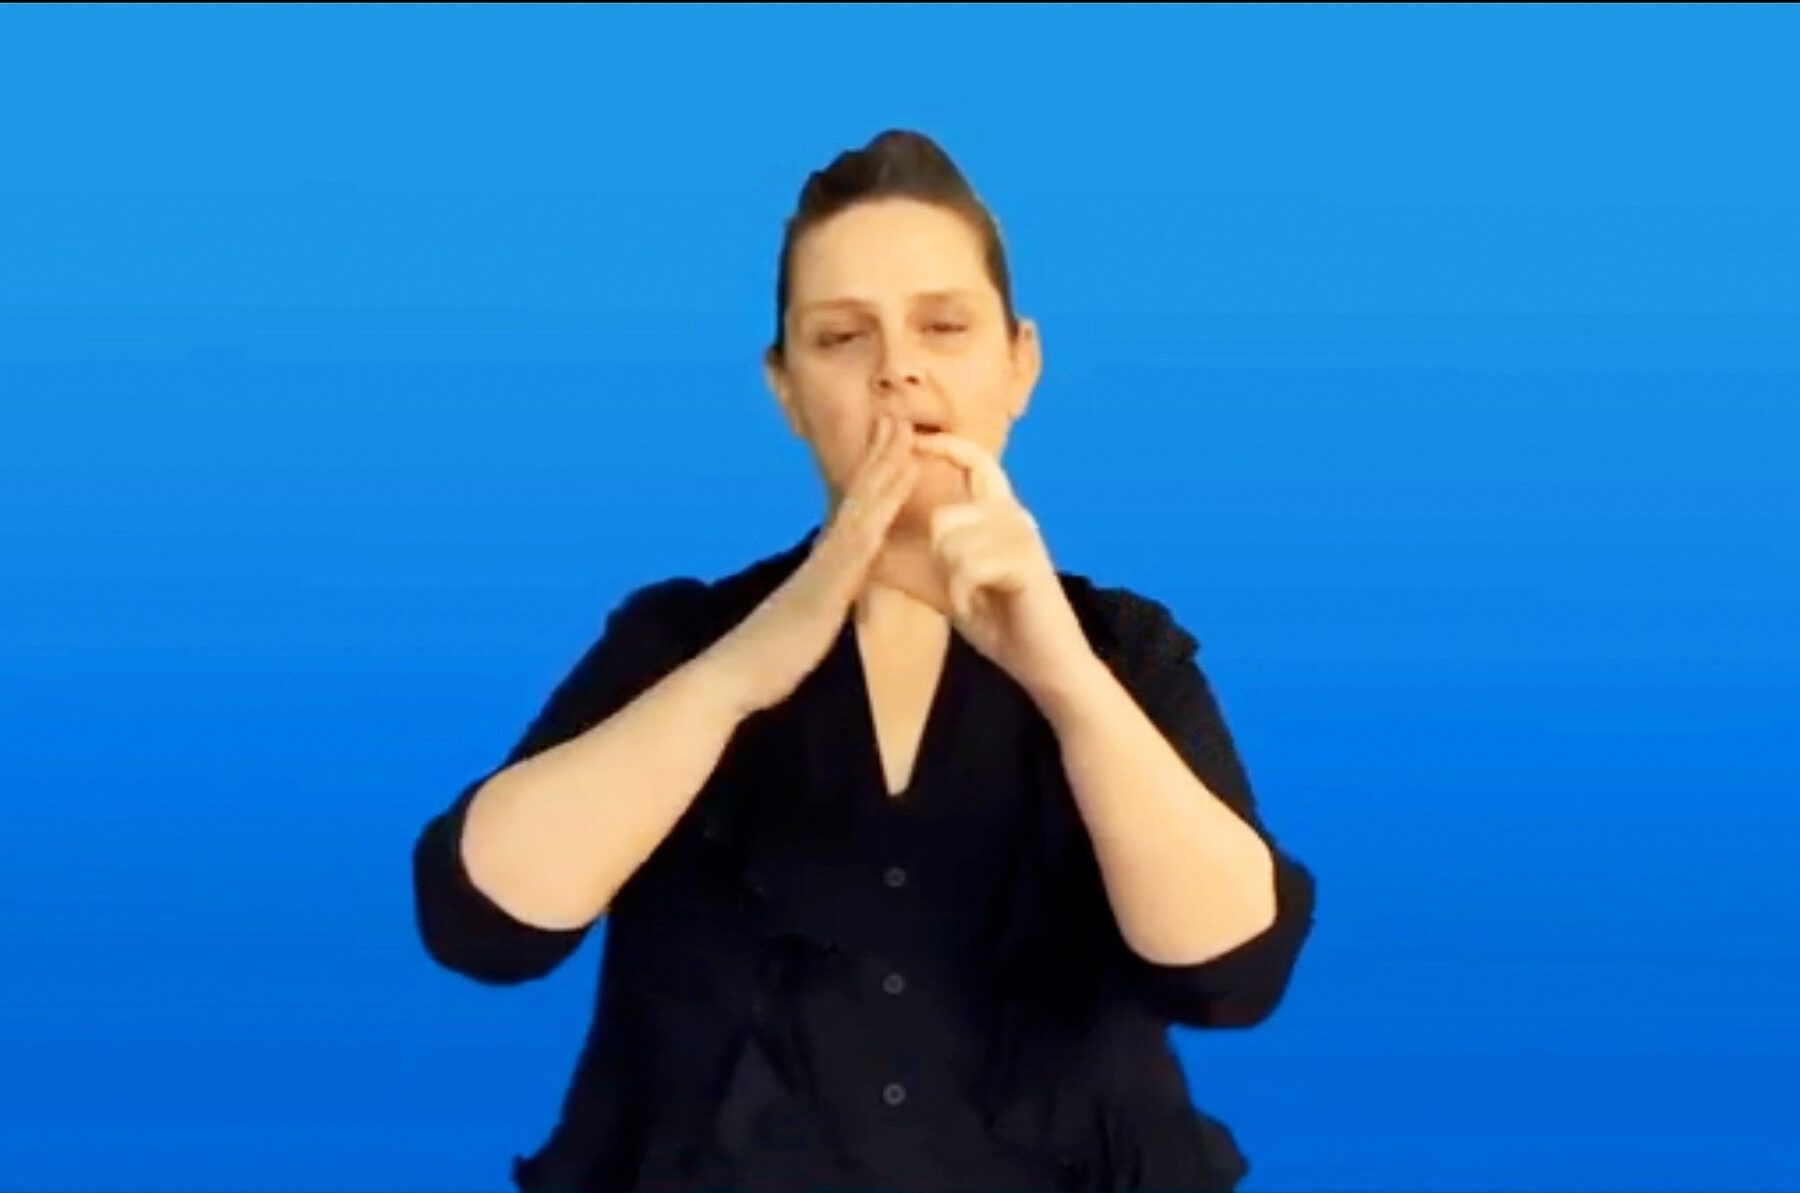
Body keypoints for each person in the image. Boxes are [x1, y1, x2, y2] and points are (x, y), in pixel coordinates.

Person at [411, 129, 1318, 1193]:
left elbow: (1232, 975)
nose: (898, 367)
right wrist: (738, 673)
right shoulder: (677, 642)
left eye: (945, 325)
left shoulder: (1126, 650)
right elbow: (483, 927)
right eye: (842, 337)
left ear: (1020, 363)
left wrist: (1067, 682)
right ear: (786, 387)